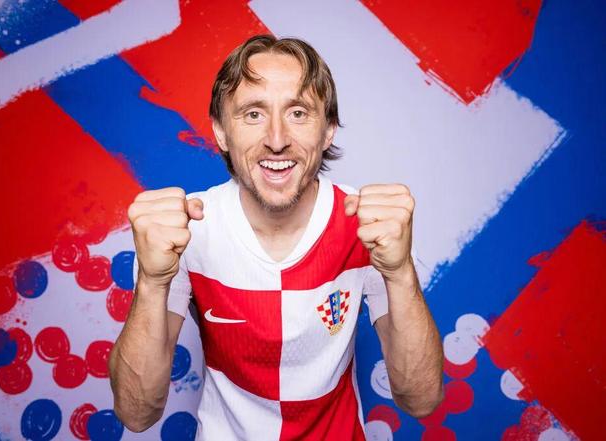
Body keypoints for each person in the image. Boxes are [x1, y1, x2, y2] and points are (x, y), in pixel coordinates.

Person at [109, 35, 444, 440]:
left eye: (298, 113)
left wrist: (401, 271)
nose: (277, 138)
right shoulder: (185, 230)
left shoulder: (368, 225)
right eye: (253, 114)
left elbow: (421, 400)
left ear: (328, 130)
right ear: (221, 132)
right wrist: (152, 281)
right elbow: (137, 413)